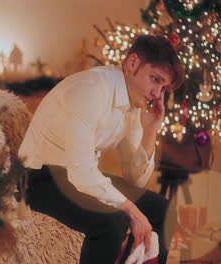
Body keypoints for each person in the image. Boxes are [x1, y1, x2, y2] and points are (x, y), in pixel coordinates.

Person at [18, 35, 184, 264]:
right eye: (155, 79)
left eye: (163, 87)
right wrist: (131, 210)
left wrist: (150, 132)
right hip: (39, 177)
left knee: (163, 211)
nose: (157, 94)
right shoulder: (91, 90)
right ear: (132, 63)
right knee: (112, 222)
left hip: (77, 176)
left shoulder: (134, 105)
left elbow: (134, 181)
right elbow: (81, 172)